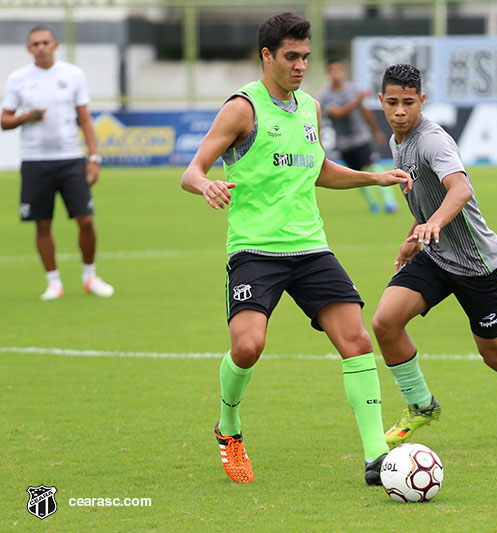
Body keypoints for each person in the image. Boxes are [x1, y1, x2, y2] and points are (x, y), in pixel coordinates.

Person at [180, 13, 412, 485]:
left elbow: (317, 168)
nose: (301, 65)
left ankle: (374, 457)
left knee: (357, 341)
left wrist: (372, 177)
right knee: (247, 347)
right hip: (255, 250)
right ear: (267, 55)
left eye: (306, 56)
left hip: (310, 249)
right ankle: (229, 428)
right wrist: (205, 185)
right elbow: (192, 170)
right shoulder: (243, 108)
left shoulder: (310, 106)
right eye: (291, 56)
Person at [371, 64, 497, 446]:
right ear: (381, 101)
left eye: (409, 103)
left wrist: (434, 225)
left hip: (479, 266)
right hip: (437, 257)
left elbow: (459, 190)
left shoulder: (433, 141)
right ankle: (421, 406)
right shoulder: (396, 143)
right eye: (392, 103)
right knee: (385, 323)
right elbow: (425, 197)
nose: (400, 111)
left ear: (422, 101)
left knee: (496, 355)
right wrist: (415, 234)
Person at [1, 26, 113, 300]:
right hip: (35, 160)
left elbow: (85, 118)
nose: (40, 47)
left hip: (71, 158)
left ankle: (90, 276)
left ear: (55, 45)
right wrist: (27, 116)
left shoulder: (73, 75)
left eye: (45, 42)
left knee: (85, 219)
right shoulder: (18, 79)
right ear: (29, 49)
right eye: (35, 44)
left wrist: (93, 157)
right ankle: (54, 282)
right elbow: (5, 121)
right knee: (42, 223)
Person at [319, 58, 397, 214]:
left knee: (372, 165)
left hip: (360, 138)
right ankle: (373, 203)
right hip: (344, 143)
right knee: (356, 175)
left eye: (339, 71)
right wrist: (358, 99)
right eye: (333, 71)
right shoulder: (325, 96)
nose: (336, 74)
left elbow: (365, 112)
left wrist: (375, 131)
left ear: (344, 73)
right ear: (328, 74)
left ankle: (389, 202)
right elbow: (339, 113)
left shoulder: (352, 89)